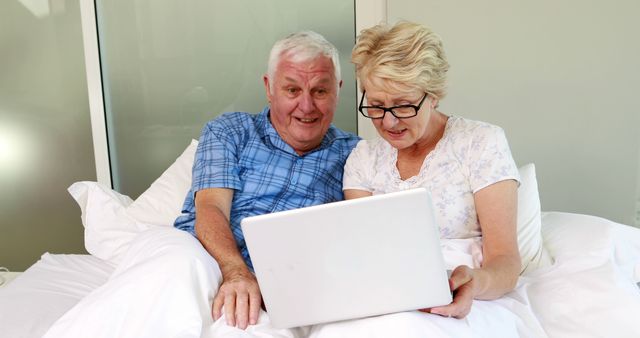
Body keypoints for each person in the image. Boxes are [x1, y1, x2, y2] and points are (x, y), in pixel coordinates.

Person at [42, 31, 358, 338]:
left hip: (276, 280)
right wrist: (236, 271)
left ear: (338, 90)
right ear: (269, 87)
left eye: (320, 91)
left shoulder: (354, 154)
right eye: (292, 90)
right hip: (199, 251)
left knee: (252, 325)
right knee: (177, 268)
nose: (306, 106)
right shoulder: (230, 131)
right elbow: (211, 207)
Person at [308, 21, 532, 337]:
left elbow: (506, 262)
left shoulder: (480, 142)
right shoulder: (364, 158)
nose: (388, 121)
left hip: (467, 297)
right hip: (385, 297)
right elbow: (365, 252)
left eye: (402, 106)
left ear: (434, 95)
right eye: (376, 105)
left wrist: (473, 282)